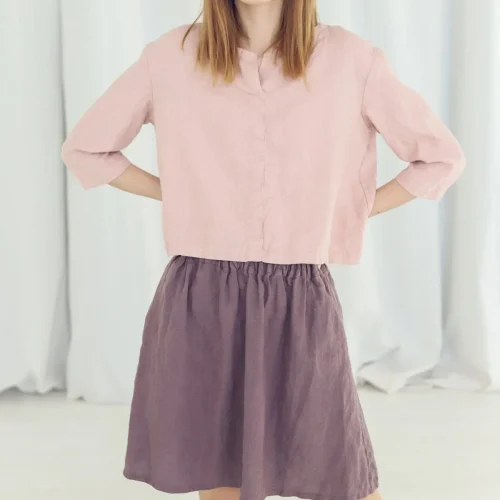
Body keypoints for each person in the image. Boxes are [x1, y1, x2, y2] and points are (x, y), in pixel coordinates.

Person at [61, 1, 466, 499]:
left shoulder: (351, 60)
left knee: (342, 478)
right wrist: (178, 193)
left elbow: (440, 157)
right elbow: (86, 147)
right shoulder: (170, 56)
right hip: (201, 296)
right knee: (219, 478)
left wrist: (353, 211)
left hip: (299, 296)